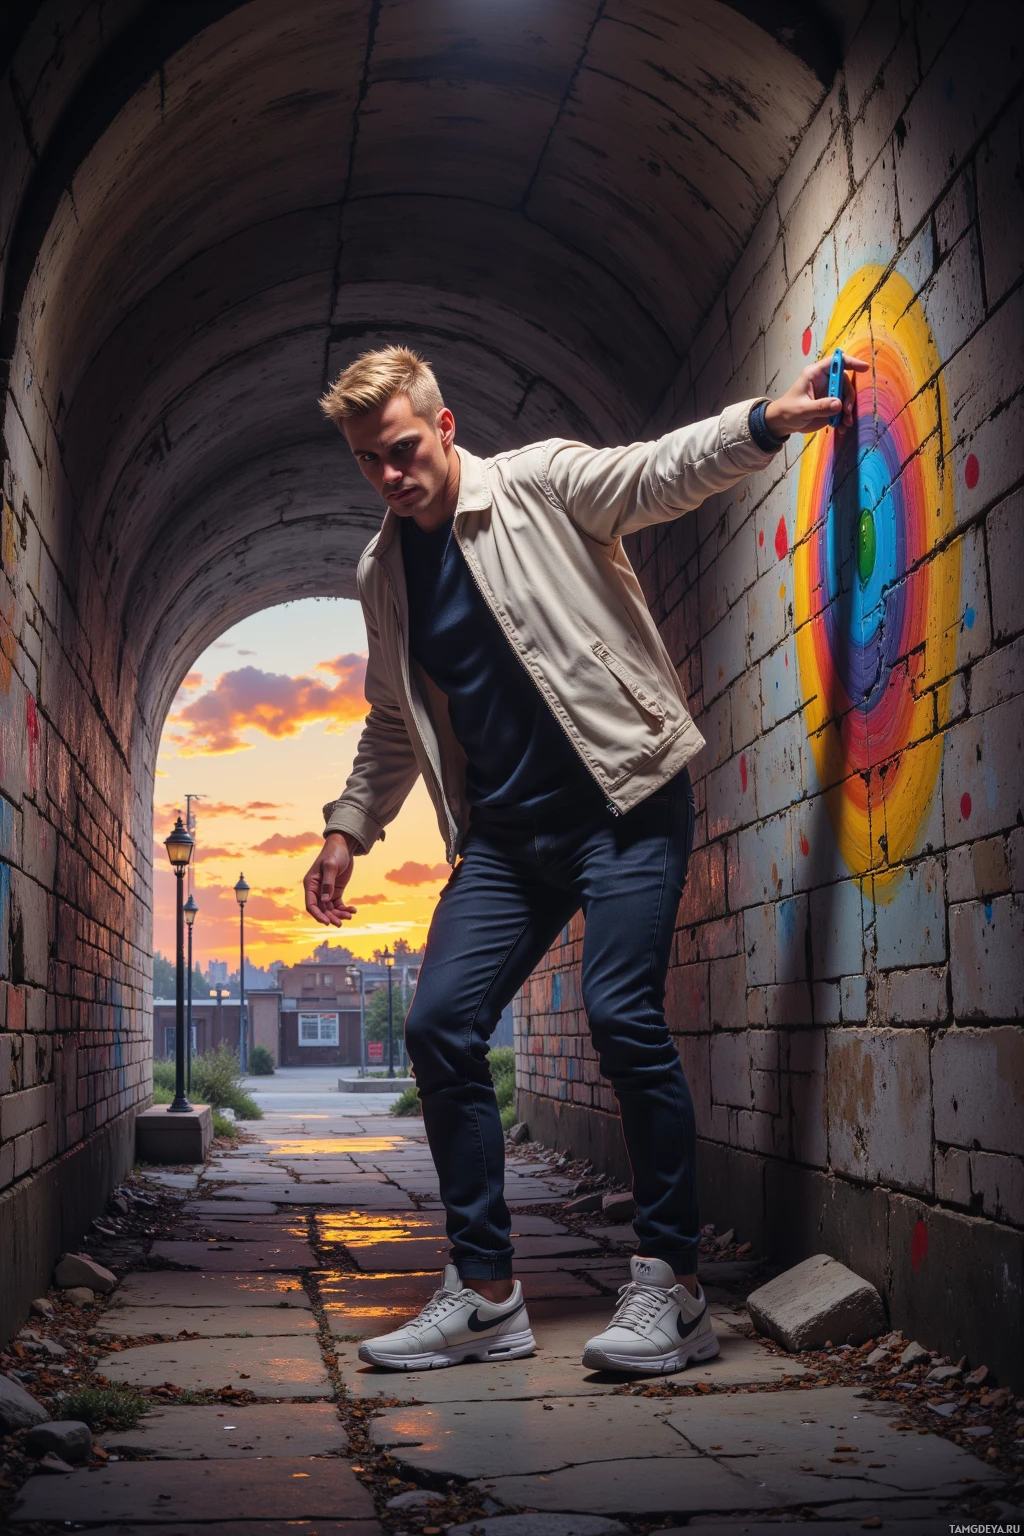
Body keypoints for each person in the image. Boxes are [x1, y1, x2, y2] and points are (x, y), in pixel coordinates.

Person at [303, 344, 863, 1375]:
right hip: (509, 841)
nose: (389, 475)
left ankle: (672, 1290)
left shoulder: (542, 484)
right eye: (367, 461)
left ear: (445, 426)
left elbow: (652, 472)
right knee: (437, 1025)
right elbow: (393, 719)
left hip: (626, 801)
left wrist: (759, 424)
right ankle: (483, 1299)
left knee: (619, 1014)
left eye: (402, 449)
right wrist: (347, 828)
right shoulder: (382, 572)